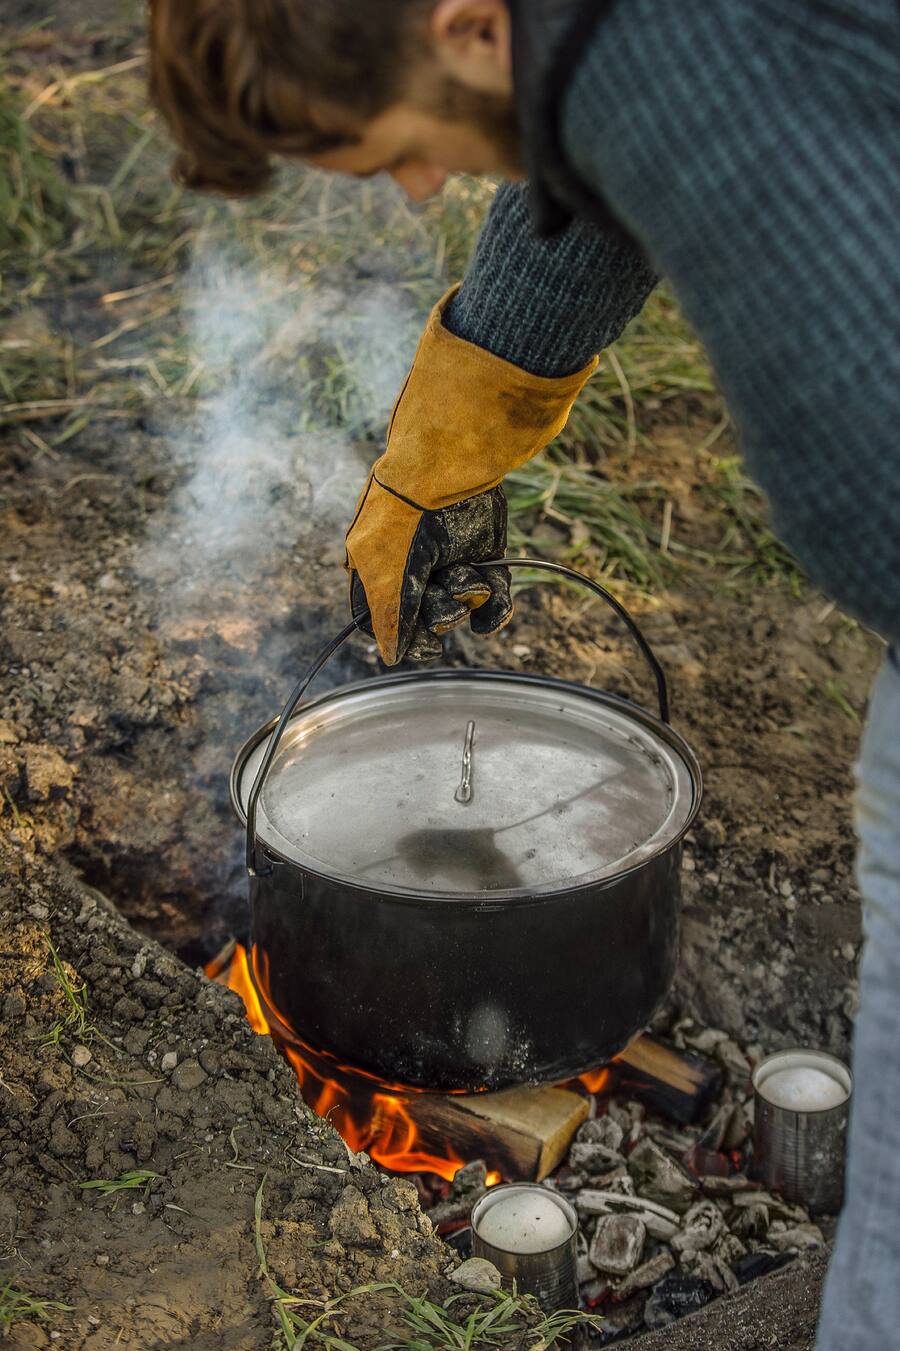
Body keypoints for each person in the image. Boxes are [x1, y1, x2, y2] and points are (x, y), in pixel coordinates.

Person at [147, 1, 900, 1344]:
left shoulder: (664, 62)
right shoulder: (624, 32)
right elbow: (602, 168)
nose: (428, 186)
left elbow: (871, 497)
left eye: (396, 152)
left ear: (466, 24)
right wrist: (469, 411)